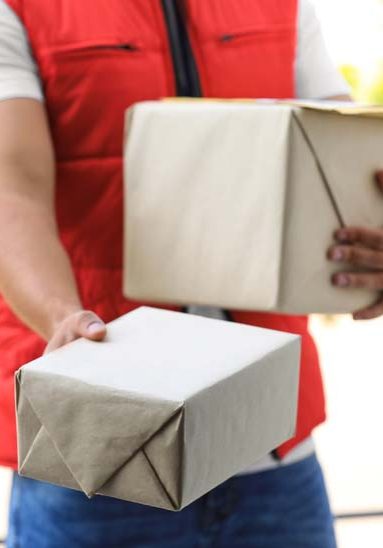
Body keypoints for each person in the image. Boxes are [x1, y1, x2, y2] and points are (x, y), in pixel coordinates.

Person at [0, 0, 381, 546]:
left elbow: (344, 157)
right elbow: (12, 186)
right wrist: (62, 318)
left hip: (274, 452)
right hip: (98, 453)